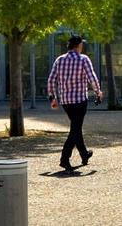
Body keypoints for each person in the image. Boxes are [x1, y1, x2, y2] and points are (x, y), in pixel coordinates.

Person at [45, 35, 103, 173]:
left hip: (66, 101)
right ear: (79, 45)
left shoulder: (59, 60)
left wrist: (52, 97)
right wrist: (98, 92)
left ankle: (84, 154)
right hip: (80, 100)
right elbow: (92, 77)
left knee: (76, 127)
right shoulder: (83, 59)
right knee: (75, 129)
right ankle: (64, 158)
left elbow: (51, 80)